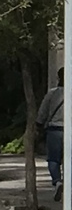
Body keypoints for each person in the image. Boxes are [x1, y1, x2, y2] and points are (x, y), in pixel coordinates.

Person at [37, 68, 64, 201]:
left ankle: (57, 181)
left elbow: (42, 112)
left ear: (58, 78)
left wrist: (39, 125)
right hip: (69, 131)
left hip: (54, 130)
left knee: (53, 159)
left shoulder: (52, 94)